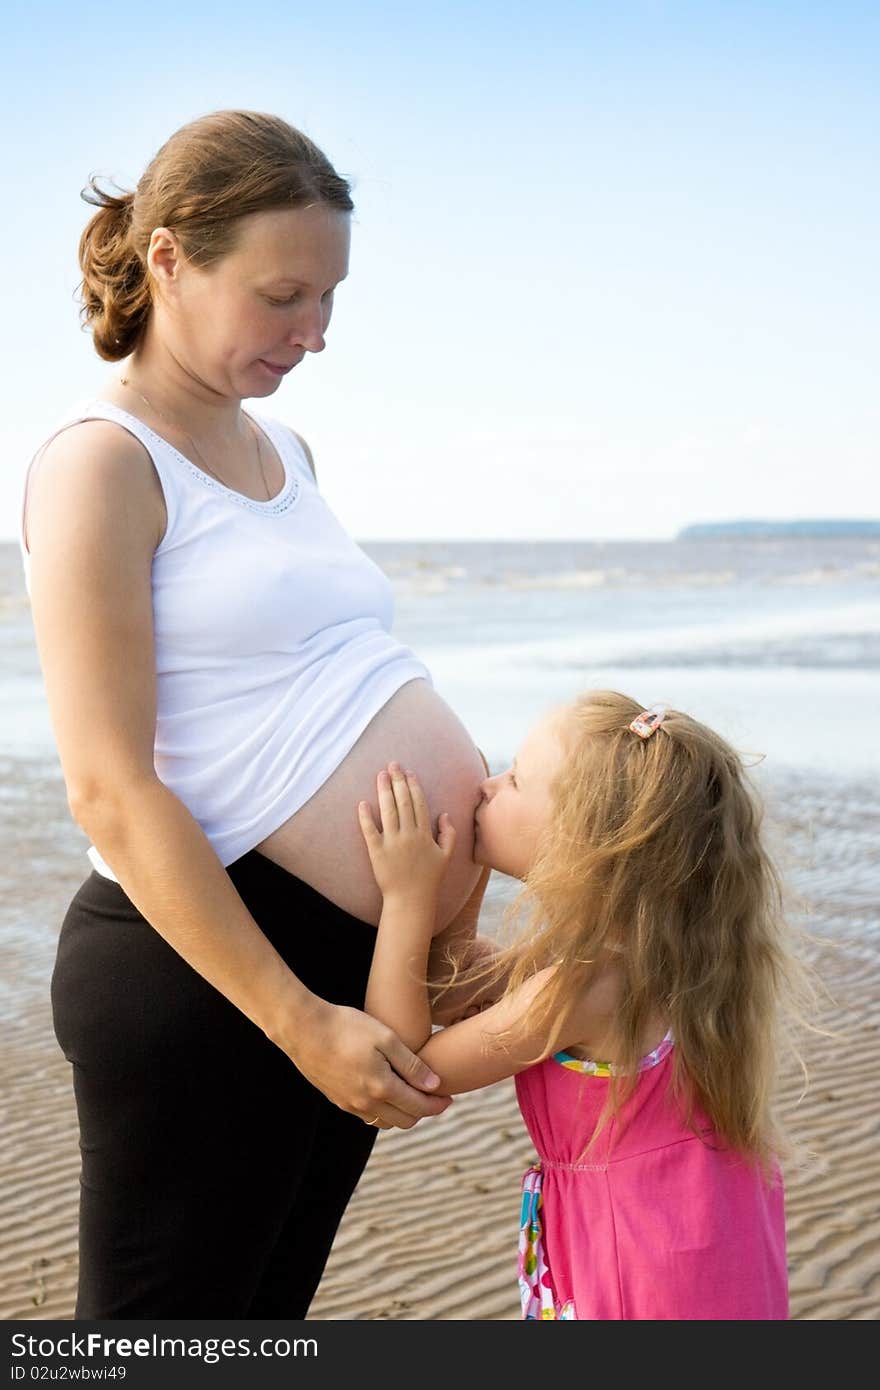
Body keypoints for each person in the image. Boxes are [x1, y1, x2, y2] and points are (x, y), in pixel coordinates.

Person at [20, 109, 494, 1319]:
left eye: (330, 299)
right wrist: (294, 1021)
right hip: (212, 972)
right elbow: (110, 788)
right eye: (284, 296)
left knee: (257, 1324)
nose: (315, 334)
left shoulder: (287, 450)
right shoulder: (101, 464)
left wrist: (436, 932)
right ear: (170, 257)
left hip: (341, 964)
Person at [358, 689, 812, 1320]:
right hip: (699, 1237)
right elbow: (457, 987)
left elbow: (406, 1056)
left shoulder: (582, 987)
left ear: (581, 844)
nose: (487, 786)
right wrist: (468, 871)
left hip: (638, 1262)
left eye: (515, 779)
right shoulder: (647, 960)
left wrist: (408, 897)